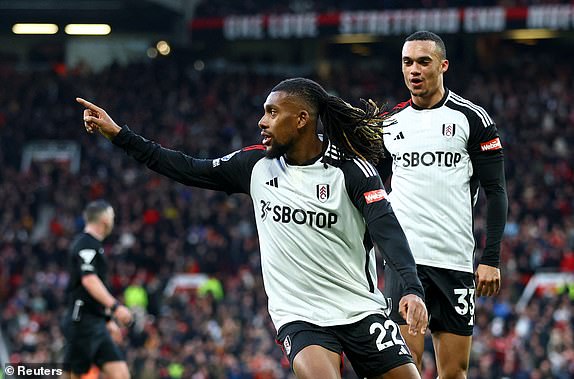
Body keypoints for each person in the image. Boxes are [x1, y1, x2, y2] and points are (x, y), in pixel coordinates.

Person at [76, 77, 428, 379]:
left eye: (273, 113)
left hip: (359, 309)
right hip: (300, 316)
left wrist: (411, 288)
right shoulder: (255, 165)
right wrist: (120, 135)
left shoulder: (351, 170)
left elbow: (388, 231)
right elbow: (184, 167)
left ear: (303, 119)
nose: (262, 121)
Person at [379, 31, 508, 379]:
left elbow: (496, 192)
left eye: (424, 61)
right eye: (408, 62)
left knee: (454, 373)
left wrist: (491, 259)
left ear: (443, 65)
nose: (414, 70)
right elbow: (371, 193)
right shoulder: (389, 124)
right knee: (404, 368)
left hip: (454, 261)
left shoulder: (472, 119)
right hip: (405, 262)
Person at [62, 200, 133, 379]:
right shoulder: (86, 243)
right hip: (83, 322)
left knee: (121, 374)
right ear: (104, 219)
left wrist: (107, 319)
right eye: (112, 216)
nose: (113, 221)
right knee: (73, 375)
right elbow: (89, 281)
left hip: (97, 322)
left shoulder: (95, 246)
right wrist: (116, 307)